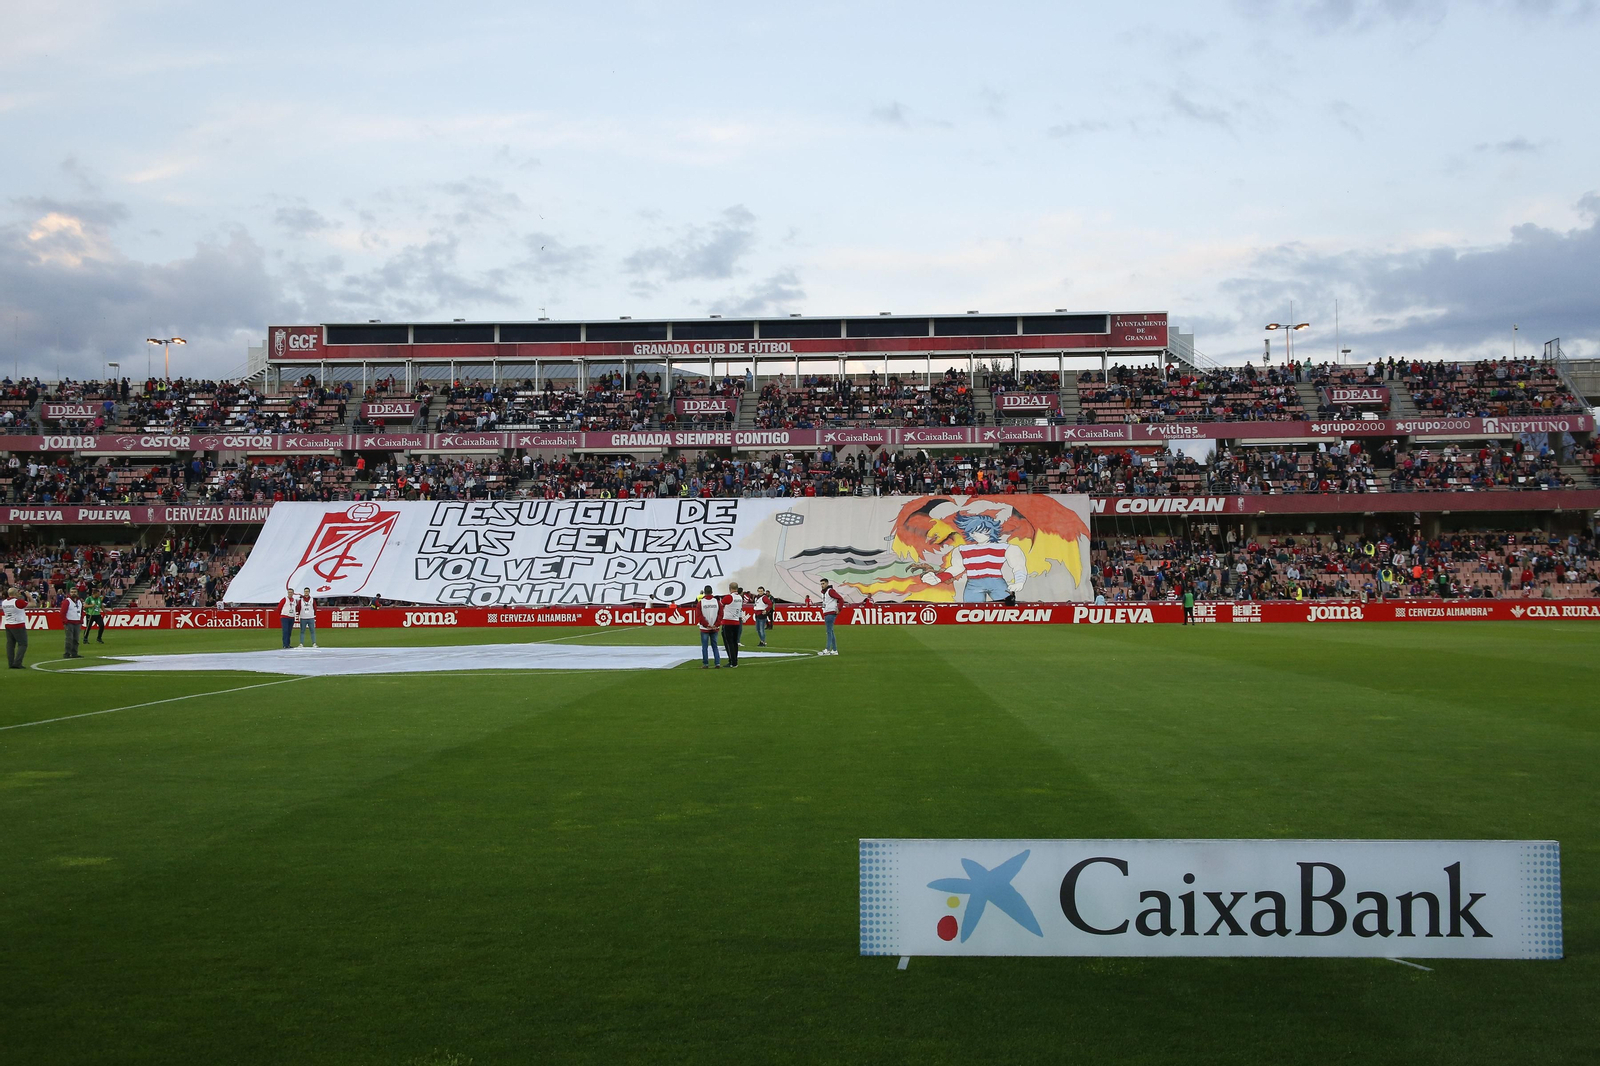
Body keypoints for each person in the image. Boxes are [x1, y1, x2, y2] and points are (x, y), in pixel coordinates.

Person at [696, 585, 723, 669]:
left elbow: (699, 616)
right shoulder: (717, 602)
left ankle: (705, 663)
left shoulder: (701, 602)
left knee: (705, 647)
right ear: (712, 592)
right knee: (715, 646)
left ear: (704, 592)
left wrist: (706, 624)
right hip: (715, 627)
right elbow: (721, 614)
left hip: (705, 628)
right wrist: (716, 624)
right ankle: (717, 662)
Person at [720, 582, 745, 668]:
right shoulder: (740, 598)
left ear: (730, 588)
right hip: (736, 621)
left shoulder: (729, 597)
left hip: (728, 621)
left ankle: (732, 661)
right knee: (734, 642)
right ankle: (735, 660)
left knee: (728, 642)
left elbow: (720, 605)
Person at [3, 586, 28, 669]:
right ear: (15, 593)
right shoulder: (17, 602)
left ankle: (11, 663)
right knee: (23, 644)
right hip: (18, 624)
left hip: (8, 624)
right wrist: (28, 596)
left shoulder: (4, 602)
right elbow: (32, 604)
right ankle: (17, 662)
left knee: (10, 645)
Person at [819, 577, 844, 655]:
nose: (822, 585)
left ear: (827, 583)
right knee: (831, 631)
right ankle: (834, 649)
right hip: (827, 612)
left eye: (823, 584)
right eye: (821, 584)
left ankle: (827, 649)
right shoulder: (825, 593)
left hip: (830, 612)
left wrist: (839, 609)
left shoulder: (830, 591)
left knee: (829, 631)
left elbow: (840, 599)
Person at [62, 591, 83, 658]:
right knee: (69, 639)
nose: (73, 593)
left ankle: (74, 653)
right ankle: (67, 653)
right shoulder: (67, 601)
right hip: (69, 622)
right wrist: (65, 622)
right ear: (69, 593)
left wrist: (81, 620)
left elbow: (81, 611)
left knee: (76, 639)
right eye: (72, 592)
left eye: (75, 592)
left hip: (77, 622)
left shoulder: (79, 602)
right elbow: (63, 612)